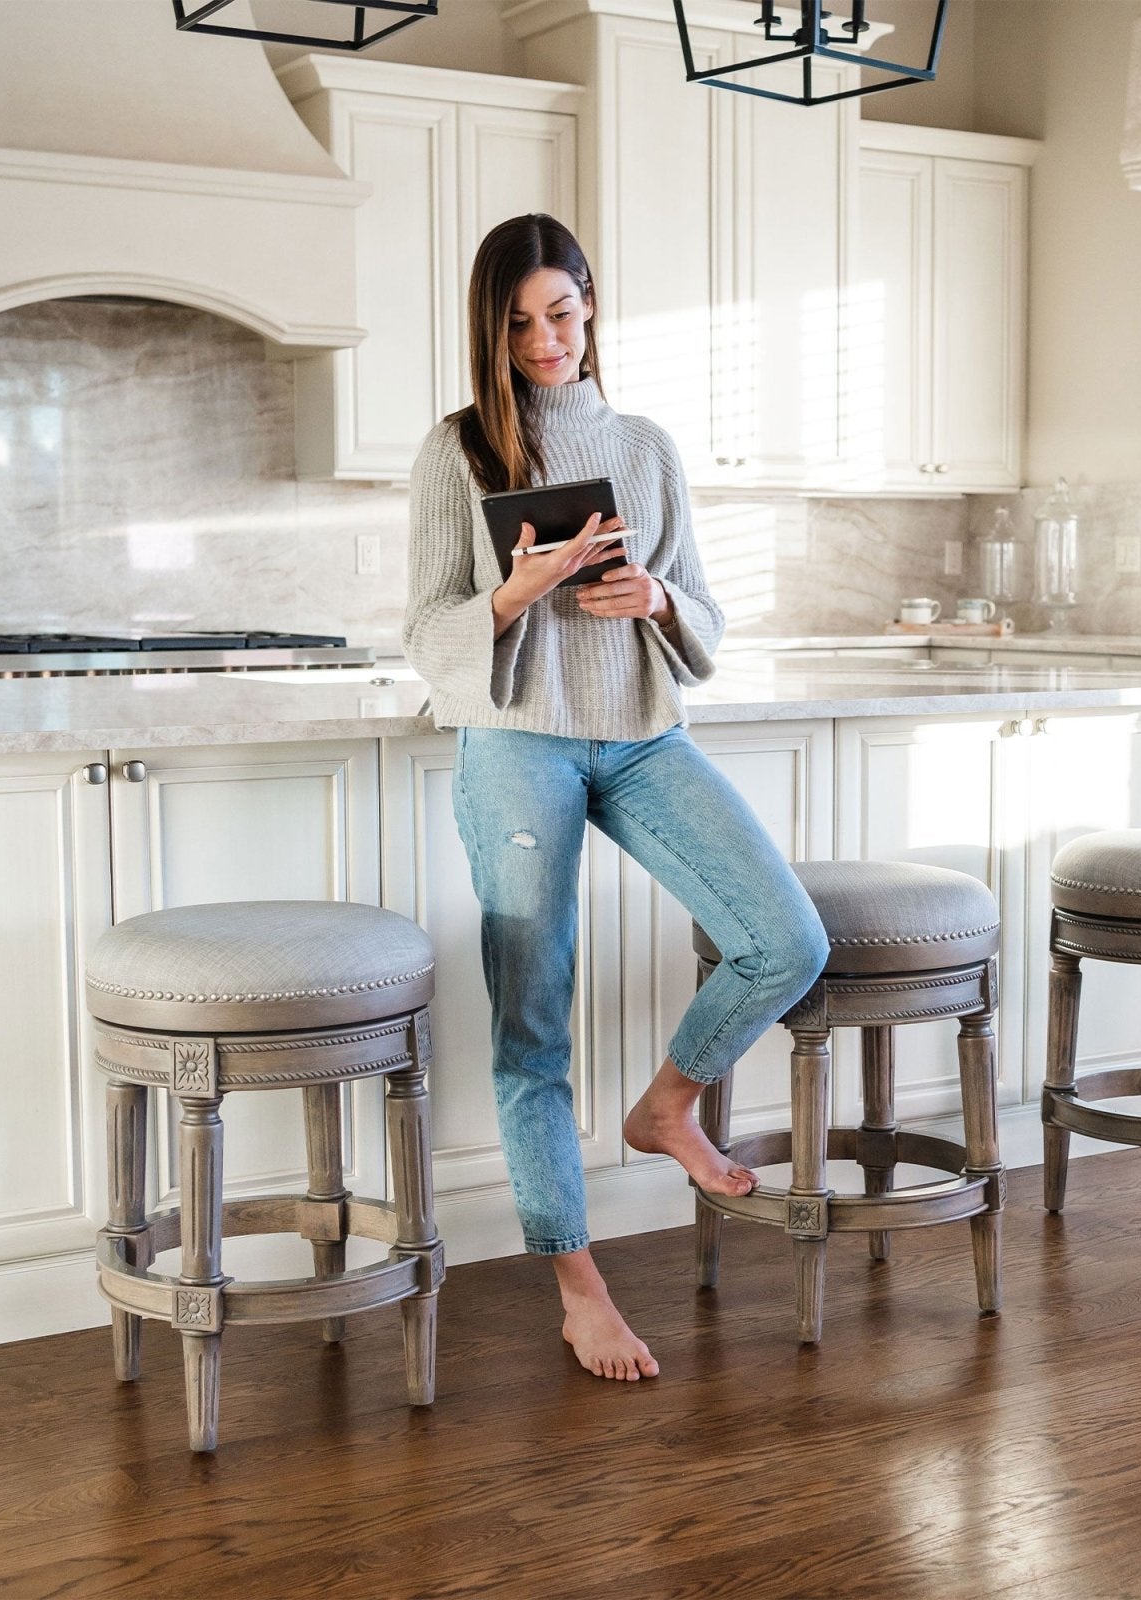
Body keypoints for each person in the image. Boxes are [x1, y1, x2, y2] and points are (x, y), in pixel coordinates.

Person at [402, 213, 829, 1383]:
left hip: (642, 737)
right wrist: (512, 593)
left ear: (592, 307)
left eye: (564, 312)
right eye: (520, 322)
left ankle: (666, 1107)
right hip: (515, 741)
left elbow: (703, 613)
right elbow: (425, 632)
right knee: (533, 1022)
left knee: (784, 937)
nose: (547, 340)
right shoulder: (458, 452)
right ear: (490, 330)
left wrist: (654, 599)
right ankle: (578, 1285)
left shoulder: (644, 443)